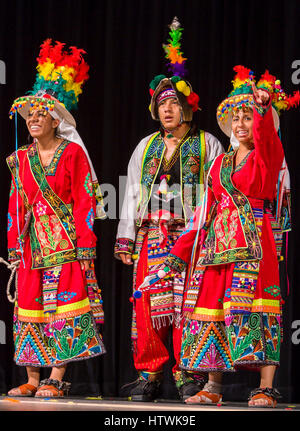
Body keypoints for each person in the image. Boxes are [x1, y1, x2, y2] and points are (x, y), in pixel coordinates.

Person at [146, 66, 299, 407]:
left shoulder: (266, 157)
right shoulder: (219, 165)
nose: (241, 124)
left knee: (258, 309)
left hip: (254, 246)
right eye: (236, 118)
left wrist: (260, 110)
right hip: (217, 249)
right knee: (212, 310)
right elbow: (203, 216)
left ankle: (265, 386)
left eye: (247, 118)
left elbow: (266, 140)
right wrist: (178, 254)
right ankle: (213, 385)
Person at [114, 17, 224, 402]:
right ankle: (150, 373)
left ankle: (187, 374)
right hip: (151, 235)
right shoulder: (145, 148)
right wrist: (126, 237)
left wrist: (208, 234)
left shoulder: (208, 143)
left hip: (191, 236)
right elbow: (130, 193)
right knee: (149, 303)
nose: (167, 110)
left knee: (186, 304)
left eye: (174, 103)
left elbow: (217, 192)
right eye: (162, 105)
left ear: (187, 108)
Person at [5, 39, 106, 398]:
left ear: (55, 120)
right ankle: (32, 378)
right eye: (29, 115)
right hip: (33, 242)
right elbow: (16, 205)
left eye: (40, 114)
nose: (32, 119)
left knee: (64, 304)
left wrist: (85, 241)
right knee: (30, 303)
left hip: (65, 238)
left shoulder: (73, 153)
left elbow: (85, 200)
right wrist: (15, 245)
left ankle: (57, 376)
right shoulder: (21, 158)